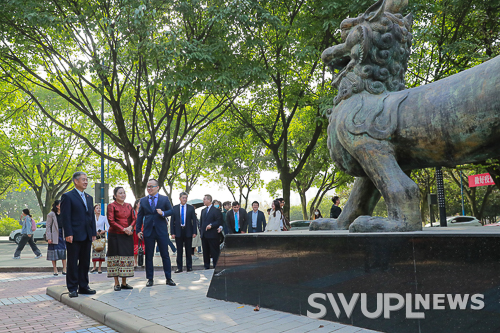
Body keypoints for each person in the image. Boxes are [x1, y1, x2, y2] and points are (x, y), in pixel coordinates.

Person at [60, 171, 97, 298]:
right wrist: (68, 233)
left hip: (87, 235)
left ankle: (84, 286)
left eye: (87, 179)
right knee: (72, 262)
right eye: (83, 179)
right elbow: (66, 217)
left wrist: (93, 233)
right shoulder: (68, 196)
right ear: (76, 181)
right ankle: (72, 288)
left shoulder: (89, 198)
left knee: (85, 262)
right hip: (74, 236)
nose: (86, 182)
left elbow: (91, 217)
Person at [136, 179, 176, 287]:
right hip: (148, 232)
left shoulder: (164, 199)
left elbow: (172, 211)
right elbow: (140, 216)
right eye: (147, 187)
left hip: (161, 231)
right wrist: (138, 230)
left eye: (151, 186)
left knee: (165, 255)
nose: (149, 188)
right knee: (149, 256)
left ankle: (168, 278)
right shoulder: (143, 200)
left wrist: (163, 213)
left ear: (157, 187)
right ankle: (150, 279)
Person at [107, 187, 136, 291]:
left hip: (127, 235)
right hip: (115, 235)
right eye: (120, 193)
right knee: (115, 258)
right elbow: (111, 221)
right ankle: (116, 283)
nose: (123, 195)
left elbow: (134, 219)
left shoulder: (129, 205)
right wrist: (123, 229)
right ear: (115, 195)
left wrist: (130, 227)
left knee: (126, 257)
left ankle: (124, 283)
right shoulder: (111, 206)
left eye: (124, 193)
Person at [171, 192, 197, 273]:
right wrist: (172, 232)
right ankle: (179, 267)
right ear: (180, 198)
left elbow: (194, 221)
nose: (184, 199)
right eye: (183, 197)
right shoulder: (175, 208)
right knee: (179, 250)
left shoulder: (191, 208)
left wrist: (194, 232)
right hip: (178, 231)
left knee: (188, 250)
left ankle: (189, 267)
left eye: (186, 197)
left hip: (188, 230)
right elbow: (172, 221)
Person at [200, 194, 223, 269]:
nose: (203, 201)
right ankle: (206, 265)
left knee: (214, 251)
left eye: (205, 199)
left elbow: (219, 221)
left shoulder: (216, 210)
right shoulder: (203, 211)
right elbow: (201, 223)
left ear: (209, 200)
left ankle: (216, 265)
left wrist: (211, 225)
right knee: (205, 251)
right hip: (204, 235)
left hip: (213, 234)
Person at [46, 200, 66, 275]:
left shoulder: (64, 213)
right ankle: (55, 269)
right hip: (54, 235)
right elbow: (48, 226)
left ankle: (64, 269)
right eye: (61, 204)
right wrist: (49, 237)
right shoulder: (51, 214)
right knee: (53, 253)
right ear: (57, 206)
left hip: (62, 234)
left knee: (63, 252)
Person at [91, 204, 109, 274]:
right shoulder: (92, 218)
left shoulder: (104, 217)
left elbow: (108, 226)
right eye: (97, 208)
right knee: (94, 251)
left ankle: (99, 267)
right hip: (94, 235)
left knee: (101, 251)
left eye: (99, 208)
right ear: (94, 210)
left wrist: (104, 231)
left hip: (101, 235)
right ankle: (94, 266)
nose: (98, 209)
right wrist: (94, 232)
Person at [133, 199, 143, 267]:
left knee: (142, 247)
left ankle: (141, 261)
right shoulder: (133, 212)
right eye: (139, 203)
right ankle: (135, 262)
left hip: (143, 230)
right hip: (135, 231)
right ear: (136, 204)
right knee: (135, 246)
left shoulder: (143, 212)